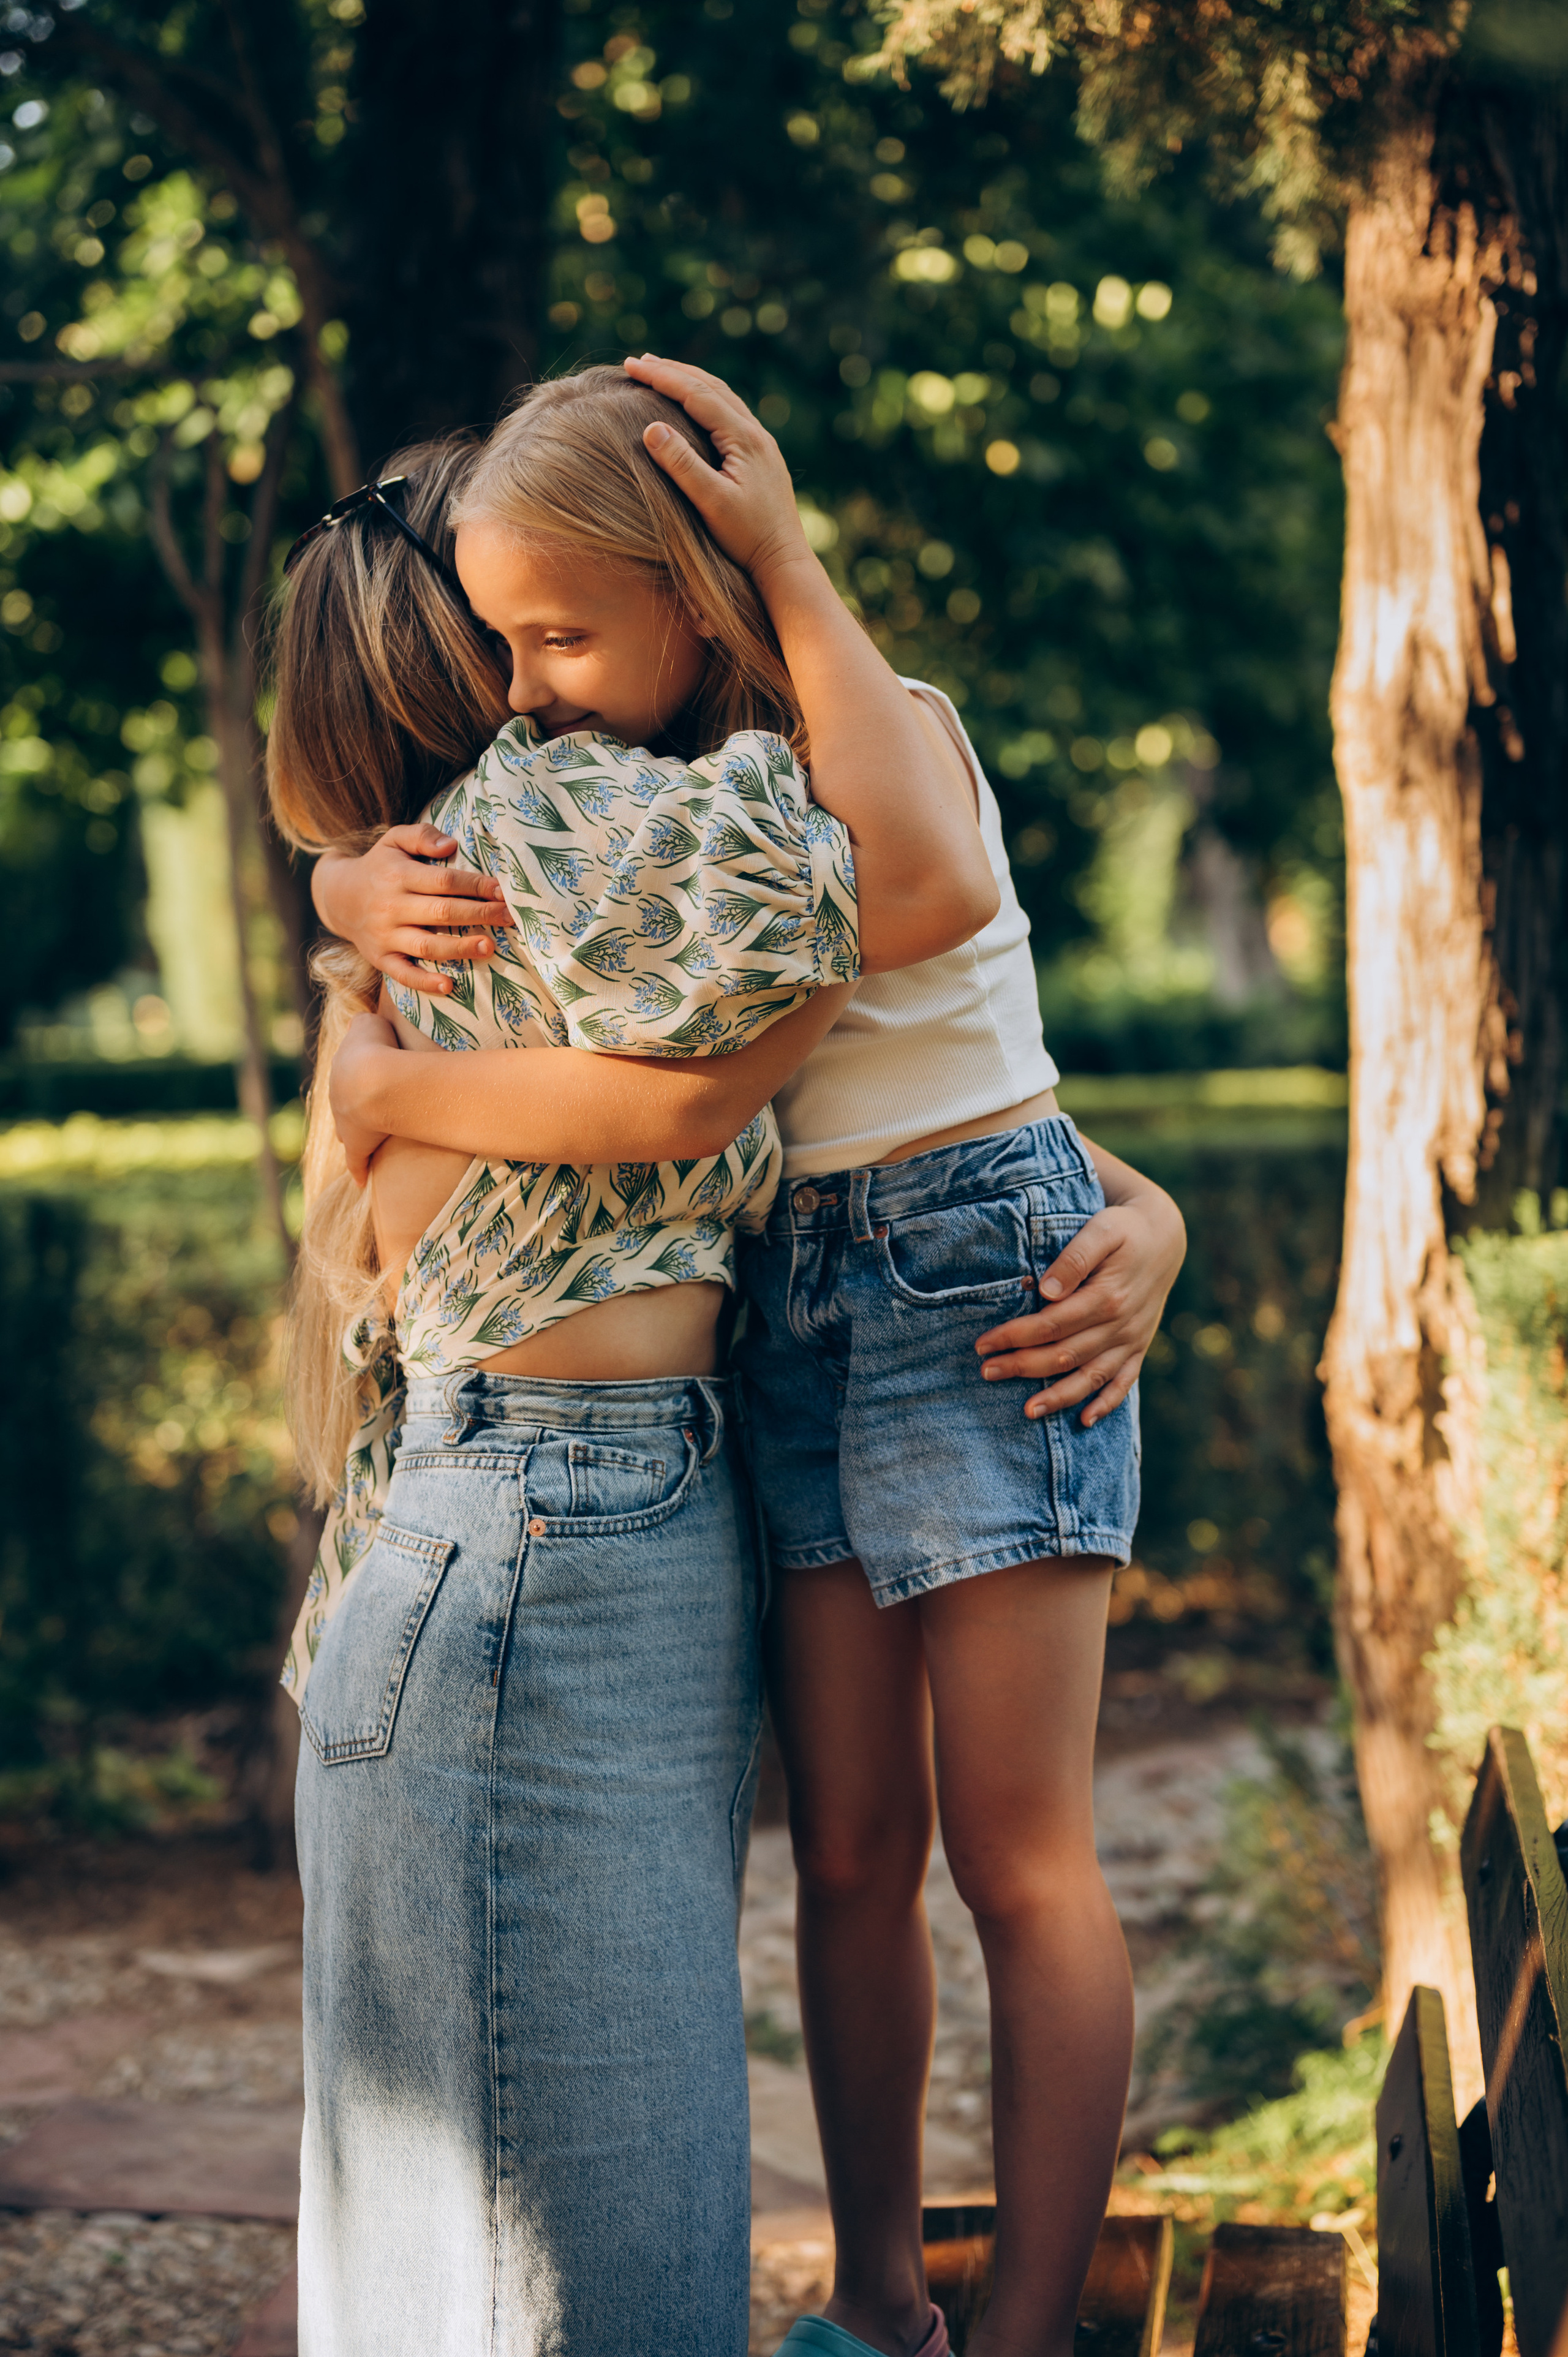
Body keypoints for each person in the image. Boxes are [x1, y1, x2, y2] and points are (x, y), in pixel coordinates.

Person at [317, 360, 1187, 2357]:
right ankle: (879, 2306)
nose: (521, 686)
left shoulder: (874, 730)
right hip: (794, 1300)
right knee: (857, 1847)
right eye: (501, 640)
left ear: (694, 587)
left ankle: (1032, 2330)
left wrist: (785, 543)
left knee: (1019, 1852)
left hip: (982, 1292)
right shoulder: (662, 808)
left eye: (552, 634)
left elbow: (940, 922)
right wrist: (343, 884)